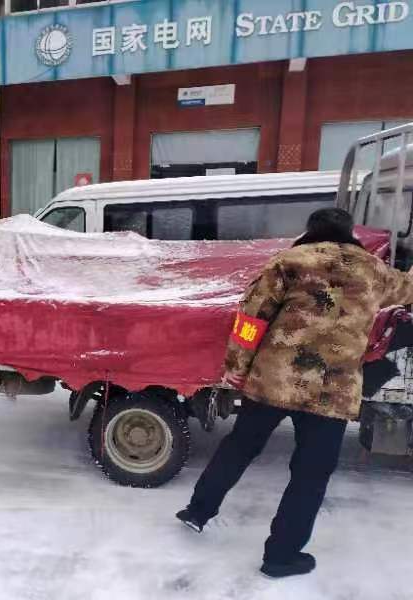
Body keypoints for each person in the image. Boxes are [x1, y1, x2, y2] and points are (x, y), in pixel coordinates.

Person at [176, 208, 413, 579]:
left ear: (310, 230)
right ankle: (281, 556)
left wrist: (236, 367)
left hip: (273, 380)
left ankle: (198, 511)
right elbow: (408, 289)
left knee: (240, 447)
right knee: (310, 475)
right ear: (350, 233)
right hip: (331, 393)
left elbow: (251, 319)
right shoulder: (375, 271)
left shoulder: (289, 262)